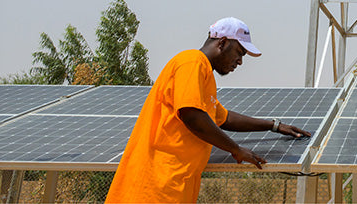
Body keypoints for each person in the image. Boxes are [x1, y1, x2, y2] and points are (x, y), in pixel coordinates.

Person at [105, 17, 311, 203]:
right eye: (239, 53)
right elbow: (192, 115)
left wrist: (274, 125)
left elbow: (223, 118)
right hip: (154, 187)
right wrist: (236, 149)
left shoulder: (204, 75)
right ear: (222, 43)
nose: (240, 61)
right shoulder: (191, 62)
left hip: (173, 186)